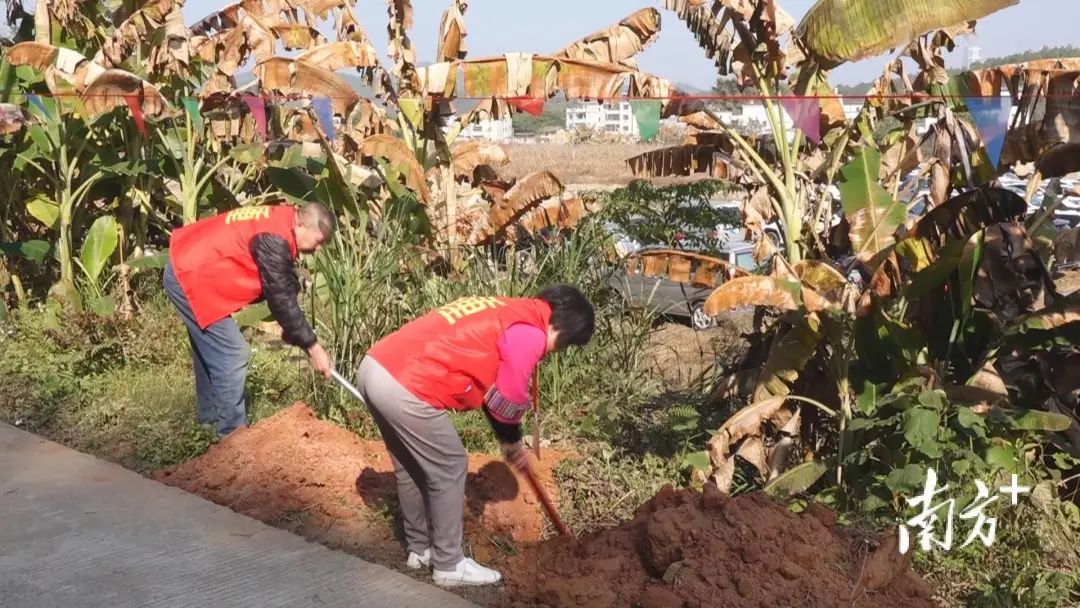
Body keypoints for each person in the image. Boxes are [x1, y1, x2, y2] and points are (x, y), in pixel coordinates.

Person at [355, 285, 595, 587]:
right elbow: (507, 398)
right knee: (451, 465)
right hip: (406, 384)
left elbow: (490, 394)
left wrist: (509, 441)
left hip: (375, 367)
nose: (557, 351)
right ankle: (449, 565)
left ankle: (420, 550)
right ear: (565, 328)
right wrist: (511, 440)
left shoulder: (508, 311)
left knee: (410, 467)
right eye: (567, 345)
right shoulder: (531, 333)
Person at [163, 202, 336, 438]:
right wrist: (315, 348)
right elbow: (280, 298)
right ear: (302, 224)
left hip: (189, 264)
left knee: (212, 350)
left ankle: (209, 424)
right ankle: (233, 441)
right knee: (232, 353)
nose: (317, 250)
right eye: (318, 242)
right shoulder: (275, 237)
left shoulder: (281, 218)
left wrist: (294, 331)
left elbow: (278, 283)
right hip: (189, 275)